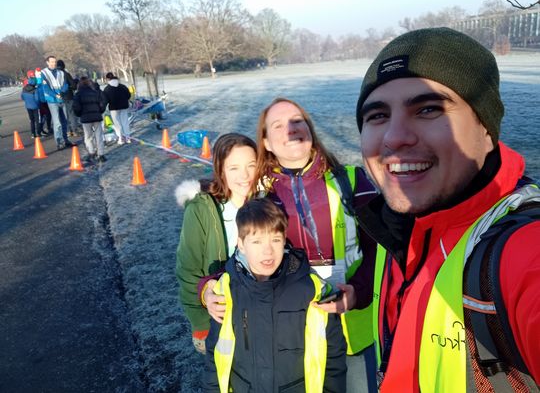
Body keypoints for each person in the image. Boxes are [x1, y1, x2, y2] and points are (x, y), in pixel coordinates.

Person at [354, 27, 540, 392]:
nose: (394, 137)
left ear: (486, 129)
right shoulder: (395, 227)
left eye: (428, 109)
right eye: (376, 115)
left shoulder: (522, 252)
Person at [204, 98, 379, 393]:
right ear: (267, 142)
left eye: (297, 120)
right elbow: (243, 257)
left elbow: (384, 250)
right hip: (296, 336)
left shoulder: (352, 180)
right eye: (278, 125)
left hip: (357, 328)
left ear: (309, 128)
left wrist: (359, 292)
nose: (291, 129)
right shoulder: (258, 195)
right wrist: (208, 287)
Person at [203, 197, 347, 392]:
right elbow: (215, 353)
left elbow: (334, 354)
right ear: (241, 244)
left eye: (275, 239)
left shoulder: (310, 290)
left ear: (285, 240)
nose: (268, 251)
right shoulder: (226, 290)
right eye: (257, 241)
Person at [175, 133, 258, 354]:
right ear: (220, 170)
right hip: (220, 320)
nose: (245, 175)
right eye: (234, 168)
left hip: (260, 318)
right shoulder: (202, 209)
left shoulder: (266, 204)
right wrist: (201, 323)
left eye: (251, 165)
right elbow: (188, 269)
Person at [40, 55, 73, 150]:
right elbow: (46, 88)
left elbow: (65, 84)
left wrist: (62, 92)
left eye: (54, 62)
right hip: (52, 100)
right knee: (57, 122)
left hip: (61, 99)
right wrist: (55, 95)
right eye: (51, 62)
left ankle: (66, 140)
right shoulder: (44, 73)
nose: (53, 63)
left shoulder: (61, 73)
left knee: (64, 121)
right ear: (47, 62)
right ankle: (59, 142)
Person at [72, 77, 107, 163]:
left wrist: (79, 114)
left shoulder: (78, 94)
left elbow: (76, 107)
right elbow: (102, 103)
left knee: (88, 137)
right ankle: (101, 154)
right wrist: (100, 111)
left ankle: (91, 153)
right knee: (99, 136)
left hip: (86, 118)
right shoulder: (95, 92)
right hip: (96, 116)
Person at [102, 72, 132, 145]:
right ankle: (128, 137)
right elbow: (128, 95)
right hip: (124, 106)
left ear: (108, 79)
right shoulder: (123, 86)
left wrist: (102, 108)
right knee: (125, 122)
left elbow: (105, 100)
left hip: (114, 108)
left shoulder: (107, 89)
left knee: (117, 124)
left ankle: (121, 138)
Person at [56, 60, 80, 137]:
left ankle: (67, 131)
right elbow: (74, 86)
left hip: (59, 97)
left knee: (63, 115)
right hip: (69, 96)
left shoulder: (55, 75)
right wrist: (71, 86)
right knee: (71, 114)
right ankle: (74, 130)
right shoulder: (66, 74)